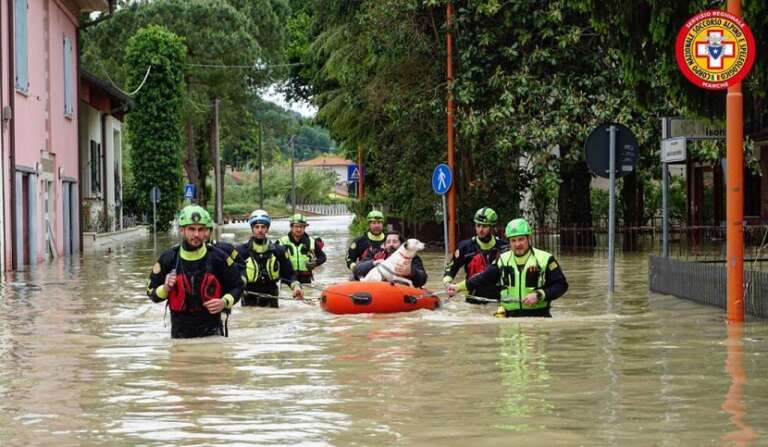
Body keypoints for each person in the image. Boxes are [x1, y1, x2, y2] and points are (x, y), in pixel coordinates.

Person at [146, 205, 243, 338]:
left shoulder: (219, 258)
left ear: (206, 231)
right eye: (191, 229)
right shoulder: (168, 259)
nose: (196, 234)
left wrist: (224, 302)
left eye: (201, 229)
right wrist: (166, 288)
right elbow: (150, 292)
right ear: (182, 230)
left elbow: (238, 286)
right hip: (180, 337)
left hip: (212, 334)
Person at [447, 218, 568, 317]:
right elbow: (483, 278)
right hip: (509, 316)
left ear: (528, 238)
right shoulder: (502, 260)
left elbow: (561, 285)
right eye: (513, 240)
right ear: (509, 242)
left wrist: (540, 295)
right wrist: (458, 287)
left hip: (539, 316)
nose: (517, 244)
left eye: (521, 239)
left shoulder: (545, 259)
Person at [236, 209, 303, 307]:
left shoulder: (279, 251)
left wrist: (296, 287)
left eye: (263, 227)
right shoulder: (241, 251)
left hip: (271, 298)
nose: (260, 230)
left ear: (267, 229)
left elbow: (289, 275)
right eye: (257, 227)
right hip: (249, 299)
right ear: (252, 228)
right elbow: (231, 275)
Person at [443, 207, 509, 304]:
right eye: (478, 225)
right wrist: (448, 284)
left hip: (498, 299)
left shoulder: (504, 247)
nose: (480, 230)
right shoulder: (465, 247)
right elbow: (451, 269)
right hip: (473, 299)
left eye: (485, 226)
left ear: (492, 227)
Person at [352, 231, 428, 287]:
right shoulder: (375, 254)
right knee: (352, 278)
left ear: (402, 244)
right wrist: (373, 263)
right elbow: (356, 269)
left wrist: (411, 272)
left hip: (398, 289)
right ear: (384, 245)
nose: (391, 244)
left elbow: (423, 279)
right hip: (374, 286)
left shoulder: (412, 258)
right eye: (388, 242)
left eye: (395, 241)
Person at [276, 213, 326, 284]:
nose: (299, 229)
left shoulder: (311, 242)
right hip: (287, 280)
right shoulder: (281, 242)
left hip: (305, 279)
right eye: (296, 226)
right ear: (291, 227)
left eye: (301, 227)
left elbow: (323, 257)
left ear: (305, 228)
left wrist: (315, 263)